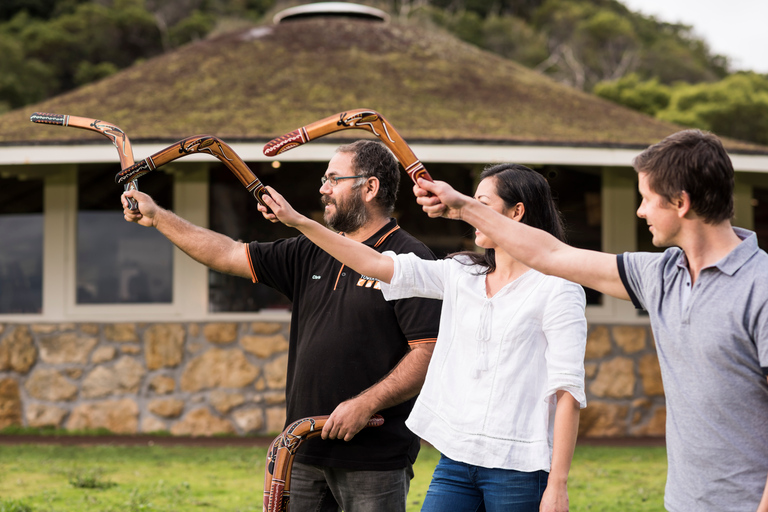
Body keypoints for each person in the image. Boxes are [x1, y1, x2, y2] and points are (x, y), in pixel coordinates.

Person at [411, 130, 768, 512]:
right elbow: (550, 253)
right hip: (683, 502)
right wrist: (465, 207)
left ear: (680, 202)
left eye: (647, 198)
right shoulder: (661, 276)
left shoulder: (759, 288)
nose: (640, 211)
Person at [122, 140, 441, 512]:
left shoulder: (409, 259)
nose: (323, 188)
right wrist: (158, 216)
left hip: (373, 460)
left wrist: (365, 404)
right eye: (325, 179)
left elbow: (429, 350)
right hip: (301, 451)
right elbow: (227, 253)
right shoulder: (311, 249)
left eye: (334, 179)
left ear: (369, 188)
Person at [260, 163, 588, 512]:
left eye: (482, 205)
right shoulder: (463, 275)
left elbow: (567, 390)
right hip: (457, 461)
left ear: (516, 212)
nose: (471, 214)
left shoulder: (558, 289)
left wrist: (557, 483)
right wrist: (300, 223)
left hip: (520, 465)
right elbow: (374, 264)